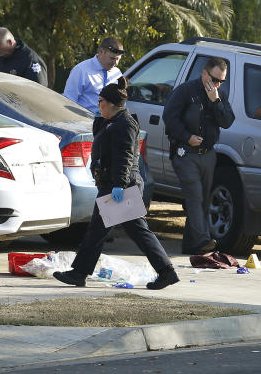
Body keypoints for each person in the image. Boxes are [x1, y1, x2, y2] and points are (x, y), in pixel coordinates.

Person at [54, 77, 179, 290]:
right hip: (112, 185)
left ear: (112, 103)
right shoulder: (110, 121)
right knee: (108, 231)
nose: (98, 104)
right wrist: (99, 120)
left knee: (129, 231)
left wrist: (119, 185)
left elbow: (126, 157)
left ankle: (166, 272)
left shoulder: (125, 124)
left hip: (119, 186)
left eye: (101, 101)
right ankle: (80, 273)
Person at [163, 57, 235, 254]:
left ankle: (190, 244)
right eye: (214, 79)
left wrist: (216, 101)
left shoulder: (219, 95)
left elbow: (227, 121)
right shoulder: (186, 91)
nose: (218, 84)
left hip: (208, 155)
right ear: (204, 73)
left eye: (221, 81)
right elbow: (169, 118)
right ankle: (203, 240)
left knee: (202, 199)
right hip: (185, 153)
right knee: (194, 196)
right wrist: (187, 137)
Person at [63, 37, 125, 115]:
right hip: (84, 122)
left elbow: (121, 103)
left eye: (118, 59)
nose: (115, 63)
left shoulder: (117, 73)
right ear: (101, 51)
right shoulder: (81, 70)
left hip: (109, 123)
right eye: (112, 58)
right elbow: (68, 101)